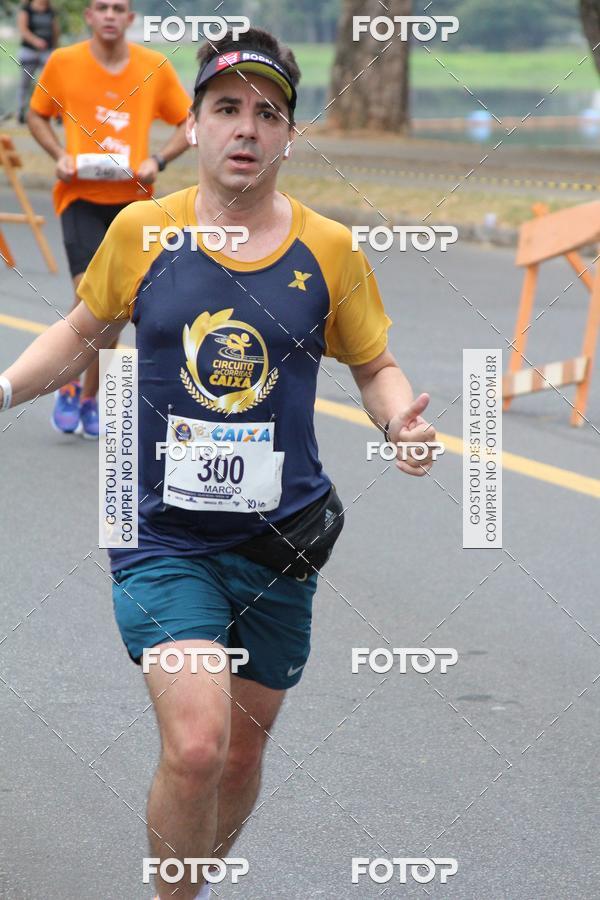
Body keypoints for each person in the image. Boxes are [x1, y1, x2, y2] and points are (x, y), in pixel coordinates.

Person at [0, 27, 438, 900]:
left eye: (267, 114)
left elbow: (375, 365)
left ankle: (187, 888)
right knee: (197, 743)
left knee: (239, 756)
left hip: (283, 542)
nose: (246, 128)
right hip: (160, 533)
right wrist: (5, 388)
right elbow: (84, 331)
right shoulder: (141, 230)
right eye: (227, 109)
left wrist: (401, 425)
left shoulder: (329, 249)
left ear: (288, 135)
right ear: (194, 126)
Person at [27, 0, 191, 439]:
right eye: (102, 7)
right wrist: (59, 155)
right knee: (89, 299)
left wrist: (159, 159)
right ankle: (68, 387)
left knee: (115, 307)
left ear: (130, 18)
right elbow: (36, 116)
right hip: (80, 196)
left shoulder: (153, 66)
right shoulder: (64, 63)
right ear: (89, 16)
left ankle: (89, 396)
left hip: (133, 205)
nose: (111, 15)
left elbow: (188, 122)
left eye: (119, 8)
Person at [16, 0, 59, 124]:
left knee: (51, 84)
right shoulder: (26, 9)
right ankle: (21, 112)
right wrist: (35, 41)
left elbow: (55, 31)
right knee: (25, 84)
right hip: (29, 51)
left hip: (47, 51)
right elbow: (23, 30)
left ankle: (55, 113)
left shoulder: (50, 10)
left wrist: (56, 49)